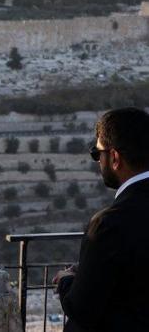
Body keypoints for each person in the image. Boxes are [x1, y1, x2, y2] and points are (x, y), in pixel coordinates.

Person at [53, 107, 149, 332]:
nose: (98, 162)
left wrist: (67, 280)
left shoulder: (108, 224)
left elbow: (82, 308)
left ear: (114, 157)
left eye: (97, 154)